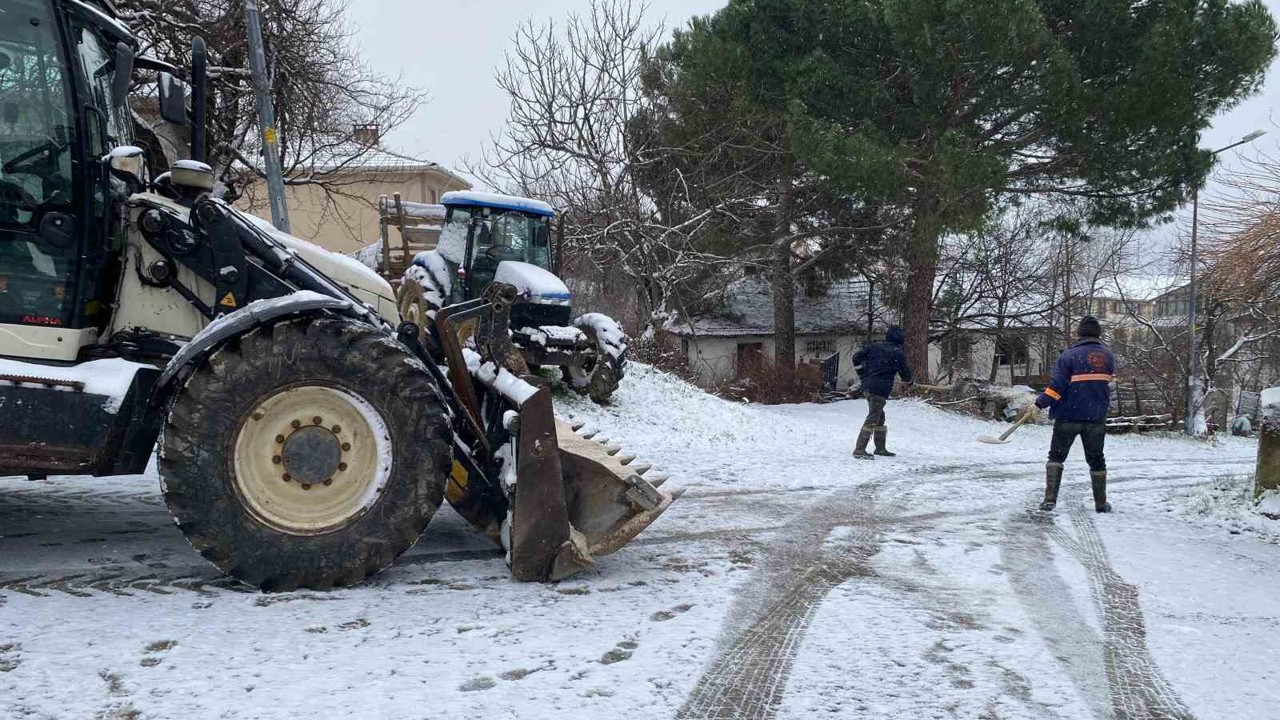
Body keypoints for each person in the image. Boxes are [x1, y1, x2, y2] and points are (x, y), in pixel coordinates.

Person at [1034, 316, 1116, 513]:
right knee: (1097, 459)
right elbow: (1109, 385)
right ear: (1098, 334)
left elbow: (1057, 386)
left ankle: (1050, 501)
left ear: (1079, 333)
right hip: (1096, 416)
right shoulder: (1108, 356)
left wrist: (1040, 403)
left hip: (1068, 415)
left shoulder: (1069, 356)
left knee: (1056, 457)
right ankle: (1100, 504)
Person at [851, 326, 913, 459]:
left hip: (868, 386)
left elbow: (856, 357)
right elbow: (905, 374)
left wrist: (862, 373)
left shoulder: (874, 347)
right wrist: (909, 381)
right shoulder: (897, 353)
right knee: (873, 416)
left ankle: (880, 448)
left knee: (879, 415)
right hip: (880, 388)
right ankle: (859, 449)